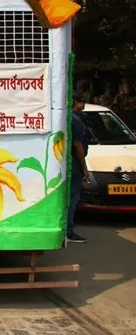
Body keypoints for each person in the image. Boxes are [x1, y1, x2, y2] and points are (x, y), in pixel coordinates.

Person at [68, 94, 90, 243]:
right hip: (74, 164)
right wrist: (84, 167)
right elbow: (77, 145)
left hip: (67, 163)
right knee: (73, 198)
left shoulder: (68, 118)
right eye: (81, 102)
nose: (83, 105)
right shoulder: (75, 120)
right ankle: (69, 230)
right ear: (76, 103)